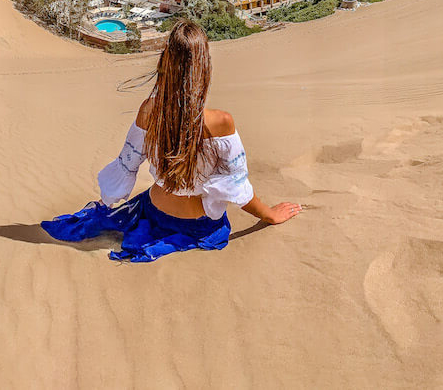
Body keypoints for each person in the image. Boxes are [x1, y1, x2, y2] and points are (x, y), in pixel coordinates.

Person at [41, 20, 302, 262]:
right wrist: (269, 214)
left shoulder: (149, 111)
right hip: (198, 225)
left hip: (153, 211)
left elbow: (126, 166)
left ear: (164, 63)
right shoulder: (221, 122)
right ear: (204, 67)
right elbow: (237, 186)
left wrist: (106, 206)